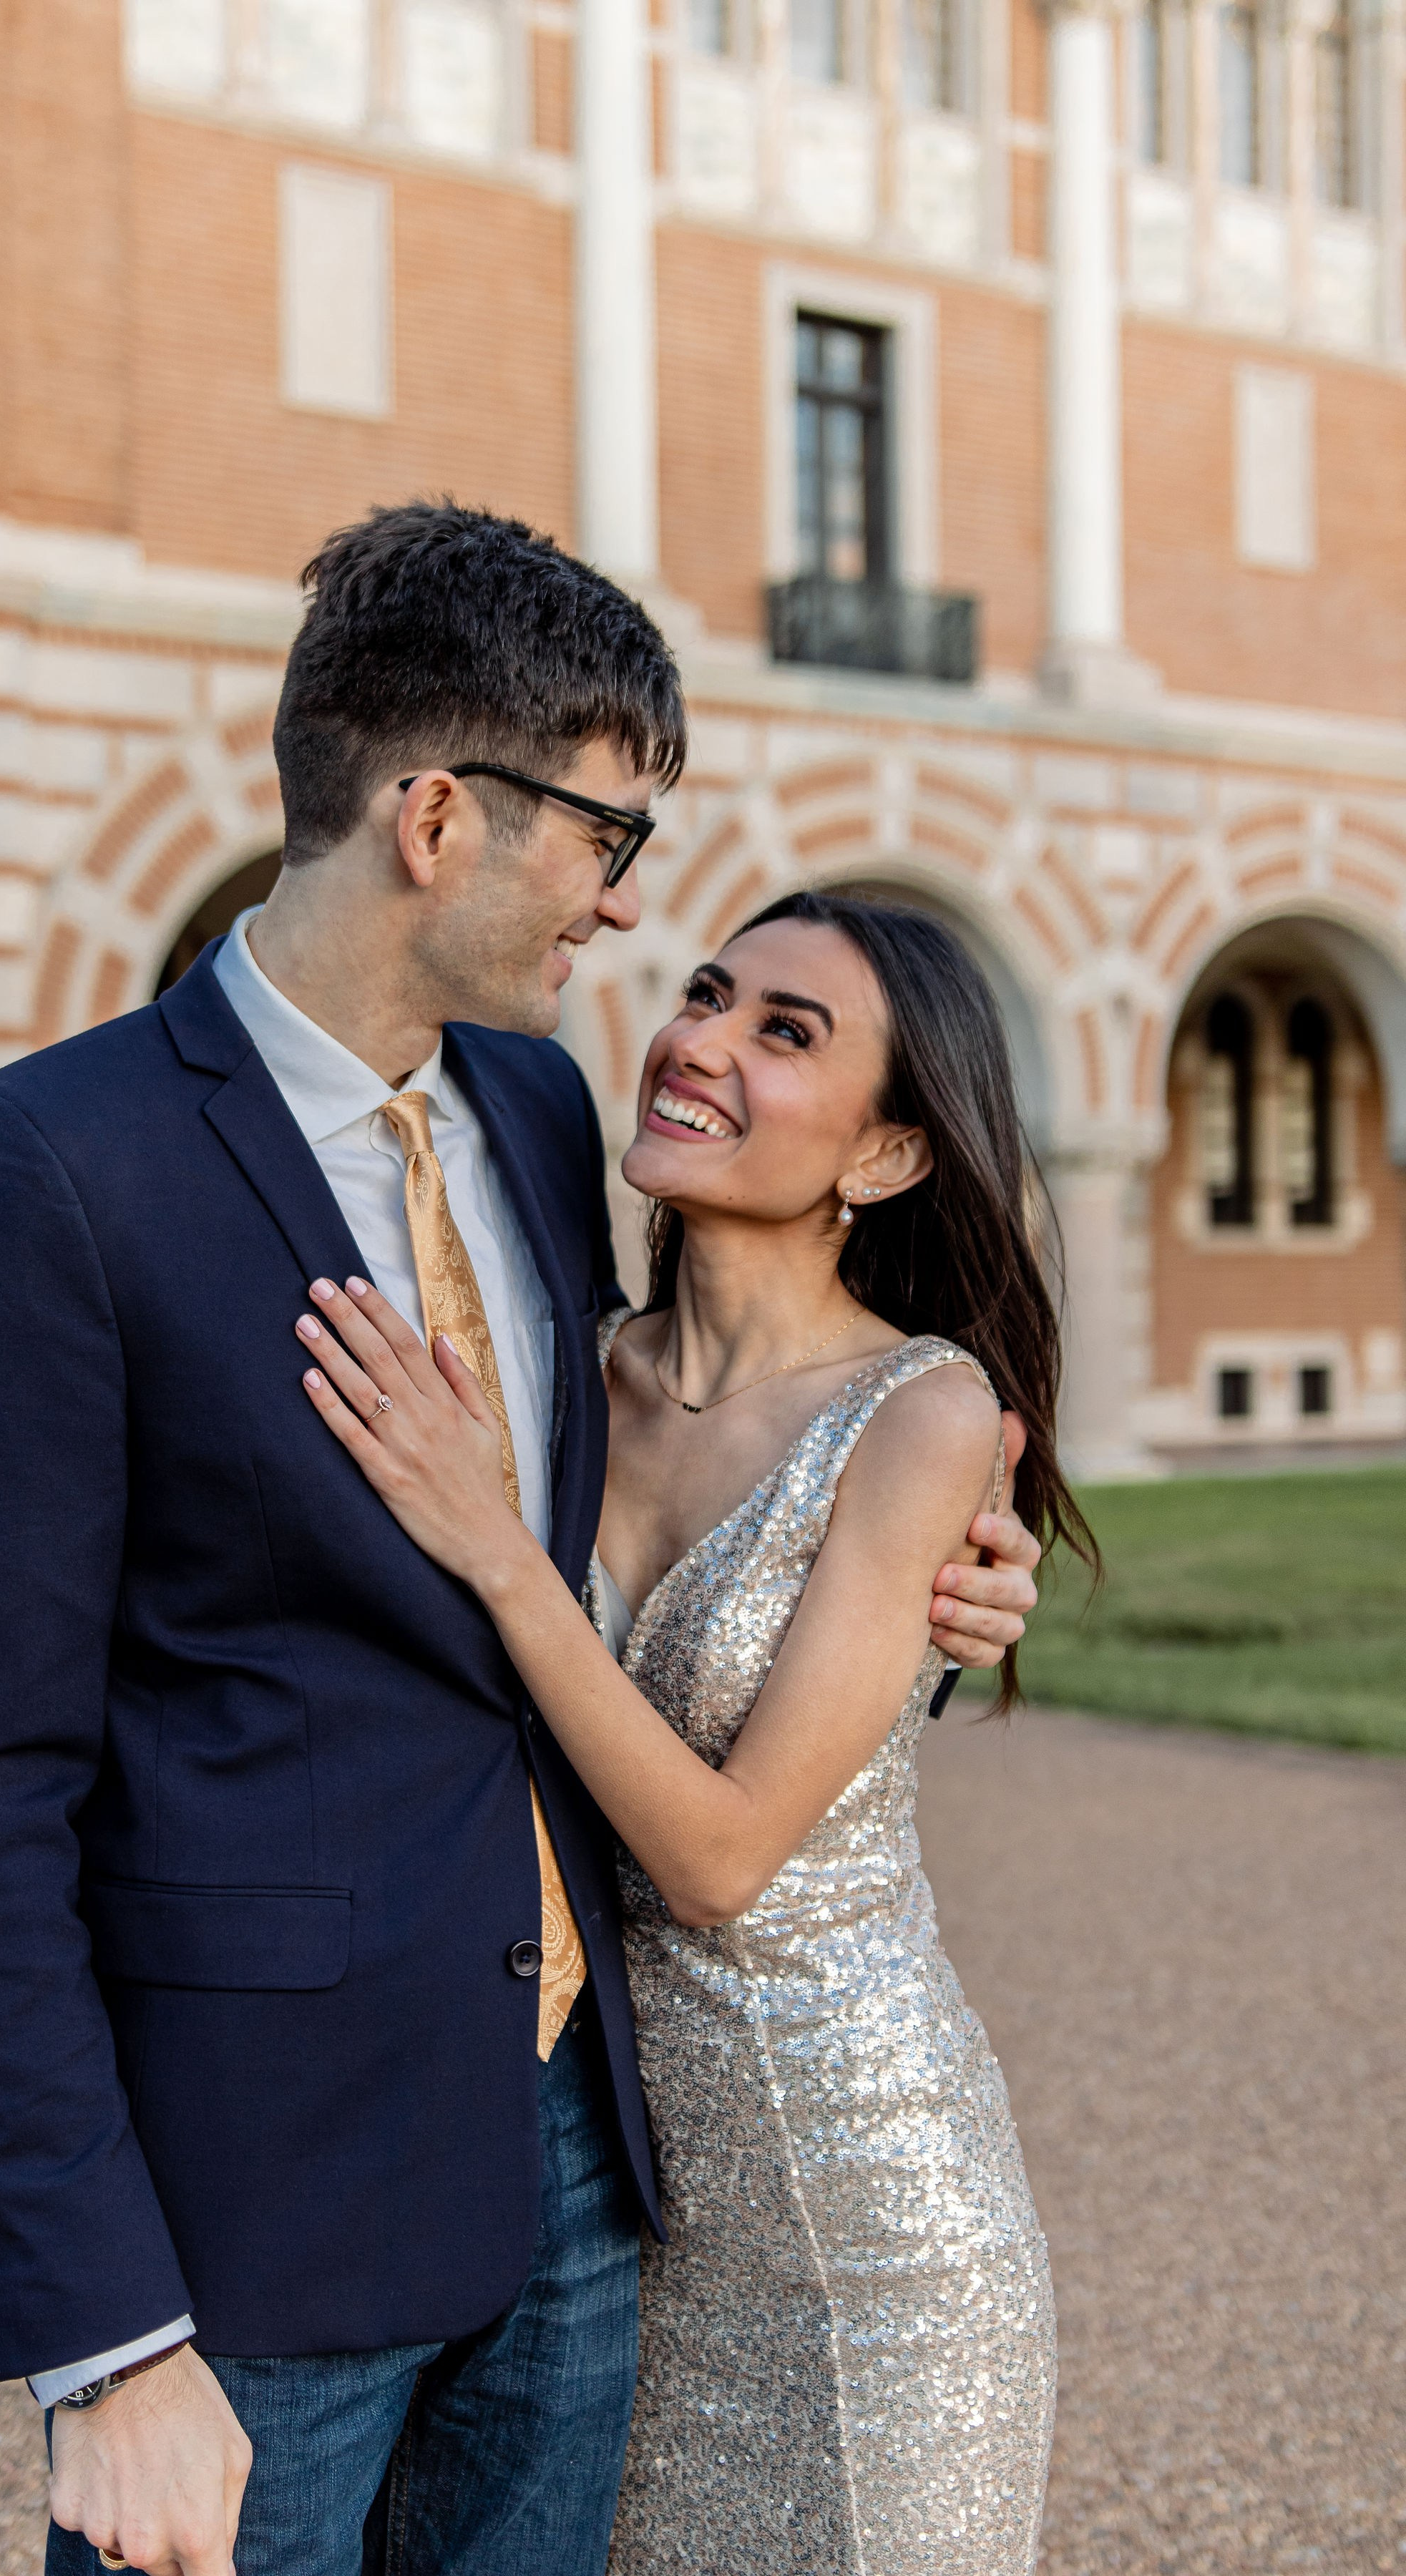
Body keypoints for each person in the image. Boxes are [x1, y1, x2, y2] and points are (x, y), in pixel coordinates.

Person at [0, 505, 1043, 2576]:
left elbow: (654, 1519)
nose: (618, 912)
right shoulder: (46, 1169)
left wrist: (943, 1590)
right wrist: (105, 2339)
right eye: (608, 841)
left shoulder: (531, 1113)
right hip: (263, 2224)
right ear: (437, 816)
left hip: (595, 2190)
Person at [292, 887, 1092, 2575]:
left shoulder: (926, 1413)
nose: (700, 1043)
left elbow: (722, 1861)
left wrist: (501, 1552)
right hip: (617, 2212)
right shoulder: (560, 1370)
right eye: (711, 995)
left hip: (875, 2224)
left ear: (884, 1159)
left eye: (784, 1034)